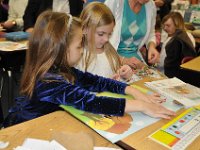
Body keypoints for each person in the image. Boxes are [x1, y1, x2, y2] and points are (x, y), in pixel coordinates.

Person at [3, 10, 175, 127]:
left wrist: (134, 91)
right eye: (79, 47)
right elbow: (91, 101)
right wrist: (142, 106)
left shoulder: (62, 68)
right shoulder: (48, 81)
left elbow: (96, 81)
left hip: (50, 123)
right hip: (25, 130)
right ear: (60, 49)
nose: (81, 50)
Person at [77, 2, 133, 81]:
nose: (106, 39)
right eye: (101, 34)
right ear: (84, 29)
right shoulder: (77, 57)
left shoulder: (110, 53)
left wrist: (123, 76)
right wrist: (107, 84)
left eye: (109, 34)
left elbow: (116, 79)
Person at [104, 0, 159, 69]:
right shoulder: (114, 2)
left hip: (135, 60)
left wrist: (151, 47)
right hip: (110, 58)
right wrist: (122, 60)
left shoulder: (151, 6)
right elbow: (100, 38)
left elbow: (151, 33)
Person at [158, 12, 197, 78]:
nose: (165, 28)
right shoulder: (190, 36)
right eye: (164, 25)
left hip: (168, 75)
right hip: (186, 74)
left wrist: (153, 65)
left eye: (168, 25)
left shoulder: (171, 40)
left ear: (176, 25)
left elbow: (161, 63)